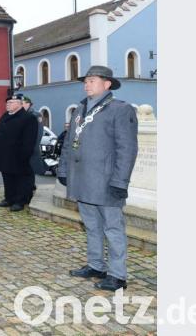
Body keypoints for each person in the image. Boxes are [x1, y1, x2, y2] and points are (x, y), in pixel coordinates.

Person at [58, 65, 138, 291]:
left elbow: (127, 149)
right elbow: (68, 144)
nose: (86, 84)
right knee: (91, 226)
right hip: (82, 181)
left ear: (107, 84)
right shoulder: (79, 110)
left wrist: (120, 182)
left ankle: (117, 275)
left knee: (112, 229)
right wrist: (63, 170)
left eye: (92, 80)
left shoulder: (120, 110)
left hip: (106, 182)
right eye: (86, 81)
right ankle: (96, 265)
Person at [0, 93, 39, 211]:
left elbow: (29, 140)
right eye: (7, 102)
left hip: (19, 156)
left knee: (21, 180)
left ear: (20, 104)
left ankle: (20, 201)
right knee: (7, 178)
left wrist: (24, 156)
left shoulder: (28, 118)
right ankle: (9, 198)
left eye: (11, 102)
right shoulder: (5, 115)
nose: (8, 104)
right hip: (5, 154)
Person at [22, 95, 46, 201]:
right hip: (23, 148)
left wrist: (33, 147)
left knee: (30, 170)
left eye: (22, 103)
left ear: (28, 103)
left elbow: (38, 133)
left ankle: (30, 189)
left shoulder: (36, 115)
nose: (21, 105)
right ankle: (27, 188)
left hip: (32, 148)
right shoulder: (21, 114)